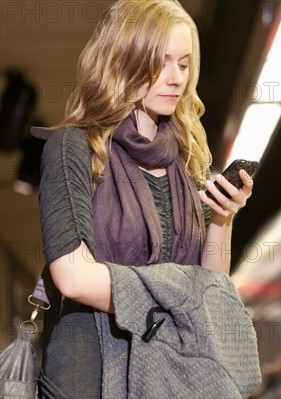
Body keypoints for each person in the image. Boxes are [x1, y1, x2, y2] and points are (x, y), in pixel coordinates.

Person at [34, 0, 254, 396]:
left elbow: (210, 286)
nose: (175, 78)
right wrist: (172, 306)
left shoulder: (188, 162)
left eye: (184, 64)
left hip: (172, 375)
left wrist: (223, 218)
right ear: (124, 61)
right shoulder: (73, 149)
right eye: (160, 62)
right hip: (93, 375)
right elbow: (73, 276)